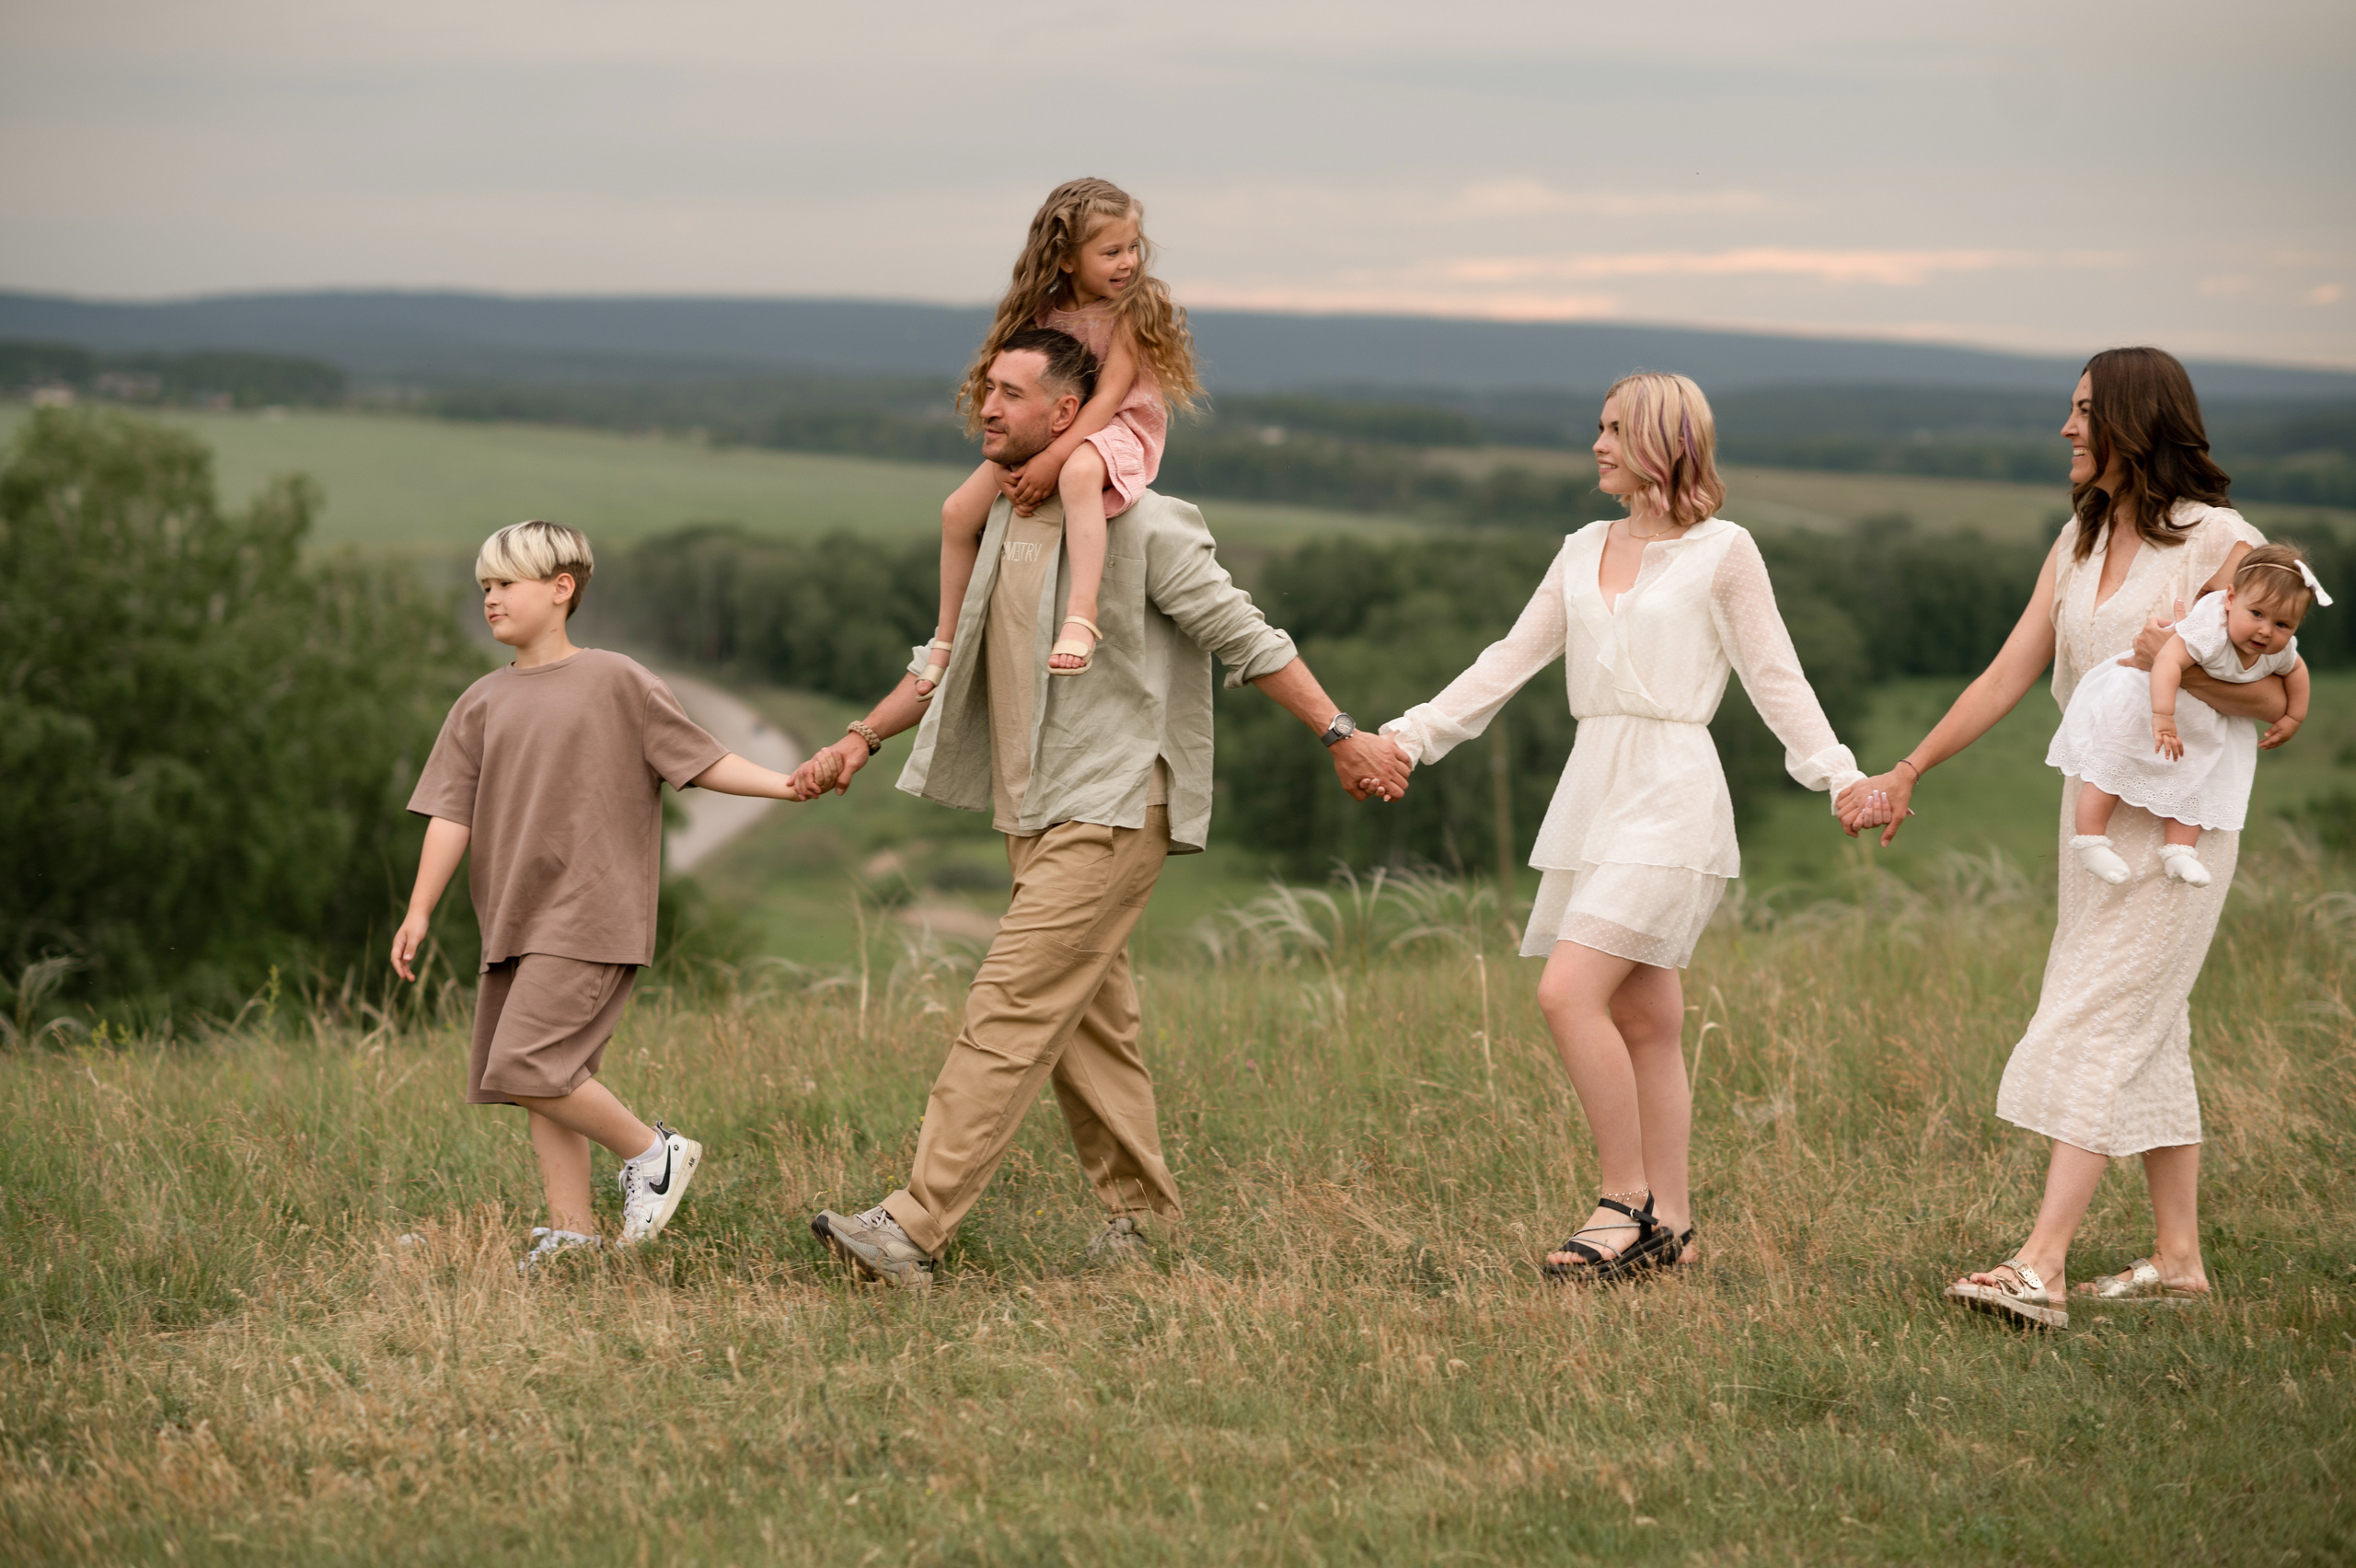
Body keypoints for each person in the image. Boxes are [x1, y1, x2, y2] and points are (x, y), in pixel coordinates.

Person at [794, 328, 1410, 1288]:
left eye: (1010, 392)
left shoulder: (1150, 527)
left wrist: (1341, 735)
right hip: (1034, 807)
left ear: (1067, 414)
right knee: (1089, 1029)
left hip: (1116, 804)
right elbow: (942, 656)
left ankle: (910, 1230)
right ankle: (1146, 1229)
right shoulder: (1005, 516)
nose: (987, 407)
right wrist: (859, 739)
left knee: (1008, 1007)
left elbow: (1245, 636)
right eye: (986, 389)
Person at [1380, 372, 1864, 1282]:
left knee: (1568, 993)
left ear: (1663, 441)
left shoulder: (1724, 552)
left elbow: (1776, 677)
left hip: (1673, 790)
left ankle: (1623, 1203)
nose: (1596, 445)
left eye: (1613, 429)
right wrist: (1407, 739)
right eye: (1596, 428)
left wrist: (1836, 776)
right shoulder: (1579, 548)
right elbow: (1506, 661)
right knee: (1644, 1017)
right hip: (1594, 788)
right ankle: (1673, 1230)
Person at [1841, 347, 2285, 1330]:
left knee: (2090, 1015)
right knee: (2143, 1023)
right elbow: (2005, 676)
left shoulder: (2223, 542)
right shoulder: (2078, 541)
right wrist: (1907, 770)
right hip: (2090, 818)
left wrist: (2176, 673)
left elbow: (2275, 696)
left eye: (2083, 411)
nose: (2066, 429)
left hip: (2179, 826)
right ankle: (2177, 1263)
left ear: (2133, 419)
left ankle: (2039, 1265)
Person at [393, 520, 817, 1272]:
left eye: (507, 584)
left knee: (523, 1063)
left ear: (562, 590)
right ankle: (573, 1233)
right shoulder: (480, 702)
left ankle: (654, 1154)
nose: (490, 599)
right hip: (511, 920)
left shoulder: (618, 681)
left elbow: (701, 759)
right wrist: (421, 908)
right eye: (484, 586)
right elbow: (450, 812)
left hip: (591, 912)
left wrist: (784, 785)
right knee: (544, 1077)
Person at [915, 177, 1200, 698]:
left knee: (1080, 473)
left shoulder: (1131, 309)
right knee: (957, 512)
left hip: (1115, 427)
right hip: (1055, 427)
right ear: (1067, 259)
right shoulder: (1043, 308)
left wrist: (1051, 460)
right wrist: (1030, 446)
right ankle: (946, 641)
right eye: (1111, 251)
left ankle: (1081, 616)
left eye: (1133, 248)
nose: (1128, 263)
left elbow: (1110, 397)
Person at [2049, 542, 2321, 887]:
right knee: (2111, 767)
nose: (2266, 631)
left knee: (2196, 777)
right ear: (2230, 599)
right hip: (2144, 699)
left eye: (2283, 624)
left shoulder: (2278, 649)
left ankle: (2179, 852)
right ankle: (2090, 841)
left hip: (2197, 717)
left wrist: (2293, 717)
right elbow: (2166, 659)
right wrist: (2162, 715)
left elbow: (2297, 672)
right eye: (2257, 614)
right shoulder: (2210, 629)